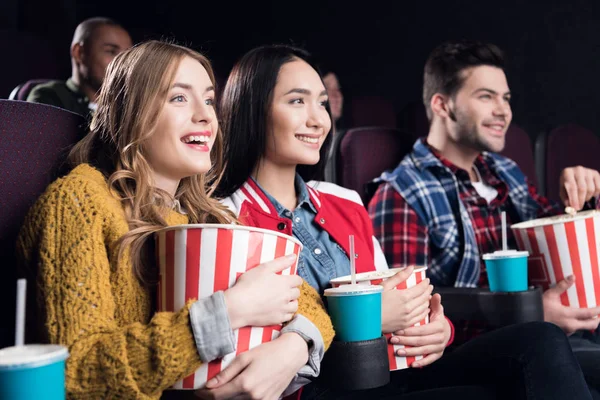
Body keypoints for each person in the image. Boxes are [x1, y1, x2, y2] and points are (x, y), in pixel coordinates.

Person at [215, 43, 592, 400]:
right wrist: (373, 317)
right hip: (320, 387)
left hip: (392, 374)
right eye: (297, 101)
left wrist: (436, 329)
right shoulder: (226, 221)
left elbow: (397, 308)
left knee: (540, 342)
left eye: (323, 103)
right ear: (252, 109)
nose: (319, 120)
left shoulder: (343, 202)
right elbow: (261, 359)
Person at [16, 40, 334, 400]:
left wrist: (293, 347)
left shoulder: (209, 213)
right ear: (132, 110)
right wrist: (226, 313)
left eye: (210, 100)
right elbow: (78, 372)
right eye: (179, 98)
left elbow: (307, 300)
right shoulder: (77, 201)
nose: (205, 116)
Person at [368, 40, 600, 397]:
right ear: (442, 105)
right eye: (486, 97)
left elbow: (552, 231)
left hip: (545, 334)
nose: (503, 111)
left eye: (506, 98)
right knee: (543, 339)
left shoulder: (504, 173)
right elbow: (405, 314)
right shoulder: (402, 191)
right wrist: (529, 311)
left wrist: (584, 196)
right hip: (457, 354)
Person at [26, 17, 132, 119]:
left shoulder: (127, 105)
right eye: (111, 51)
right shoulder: (49, 97)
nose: (122, 62)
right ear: (79, 53)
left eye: (127, 55)